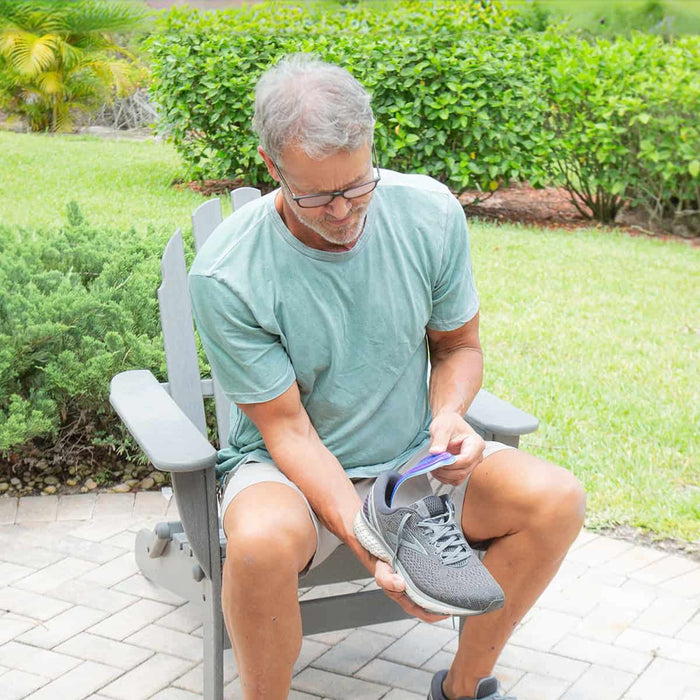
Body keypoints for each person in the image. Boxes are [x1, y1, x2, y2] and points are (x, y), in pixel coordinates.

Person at [189, 54, 586, 700]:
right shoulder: (228, 273)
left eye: (357, 185)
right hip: (287, 469)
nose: (344, 212)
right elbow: (288, 432)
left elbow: (458, 346)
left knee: (555, 499)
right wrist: (373, 541)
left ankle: (462, 688)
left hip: (411, 462)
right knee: (258, 546)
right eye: (317, 195)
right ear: (271, 167)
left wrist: (449, 415)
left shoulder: (428, 214)